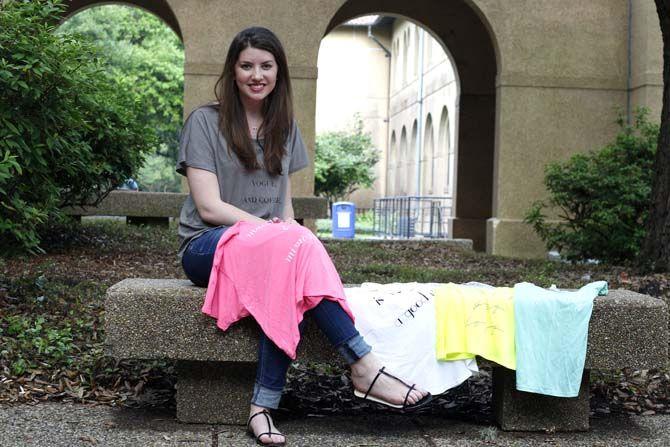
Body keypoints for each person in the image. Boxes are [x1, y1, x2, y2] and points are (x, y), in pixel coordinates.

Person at [176, 26, 431, 446]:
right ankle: (363, 367)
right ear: (233, 71)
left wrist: (285, 237)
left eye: (266, 65)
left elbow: (285, 208)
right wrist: (280, 237)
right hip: (209, 247)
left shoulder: (285, 126)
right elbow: (209, 207)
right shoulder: (205, 122)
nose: (256, 75)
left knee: (289, 259)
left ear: (279, 72)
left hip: (272, 252)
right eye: (246, 66)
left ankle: (263, 409)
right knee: (289, 249)